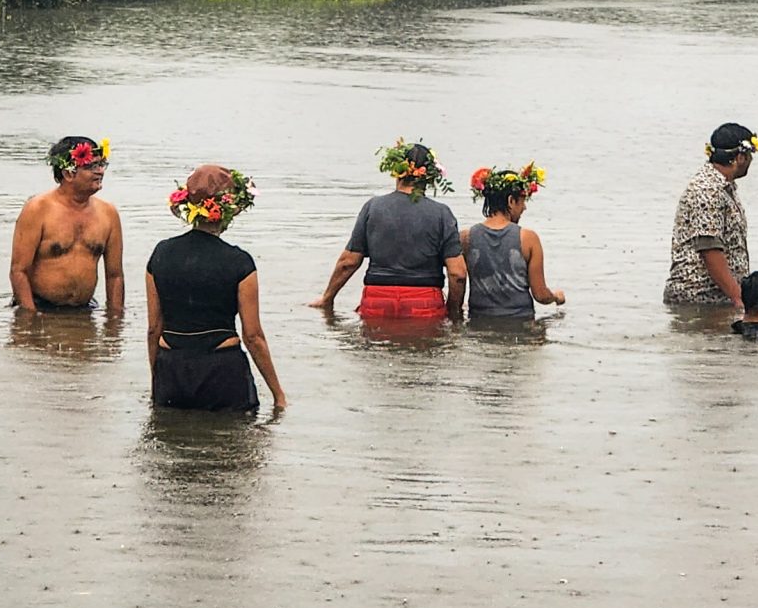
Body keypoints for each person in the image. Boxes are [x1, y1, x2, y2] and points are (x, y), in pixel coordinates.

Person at [146, 165, 286, 413]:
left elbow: (153, 329)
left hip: (172, 371)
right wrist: (279, 396)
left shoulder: (161, 253)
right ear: (230, 211)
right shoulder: (239, 262)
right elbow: (253, 337)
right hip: (221, 372)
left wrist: (156, 382)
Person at [311, 139, 468, 324]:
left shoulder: (373, 207)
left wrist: (327, 299)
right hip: (424, 304)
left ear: (396, 172)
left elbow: (348, 263)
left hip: (377, 302)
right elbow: (458, 274)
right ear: (431, 178)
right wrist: (453, 311)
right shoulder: (442, 214)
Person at [9, 134, 124, 314]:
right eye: (91, 166)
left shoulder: (108, 213)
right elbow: (18, 271)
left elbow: (115, 276)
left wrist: (115, 323)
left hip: (84, 309)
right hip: (40, 306)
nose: (100, 171)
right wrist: (29, 319)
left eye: (101, 164)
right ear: (68, 173)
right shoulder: (37, 209)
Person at [664, 121, 758, 308]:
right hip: (701, 299)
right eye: (750, 155)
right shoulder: (708, 190)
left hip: (716, 298)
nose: (751, 161)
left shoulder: (723, 187)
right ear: (740, 157)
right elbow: (710, 250)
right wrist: (738, 298)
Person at [461, 163, 564, 318]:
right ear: (511, 201)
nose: (524, 208)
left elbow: (457, 278)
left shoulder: (466, 237)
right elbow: (540, 294)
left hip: (479, 319)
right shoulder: (528, 239)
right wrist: (556, 297)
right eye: (522, 201)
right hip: (520, 320)